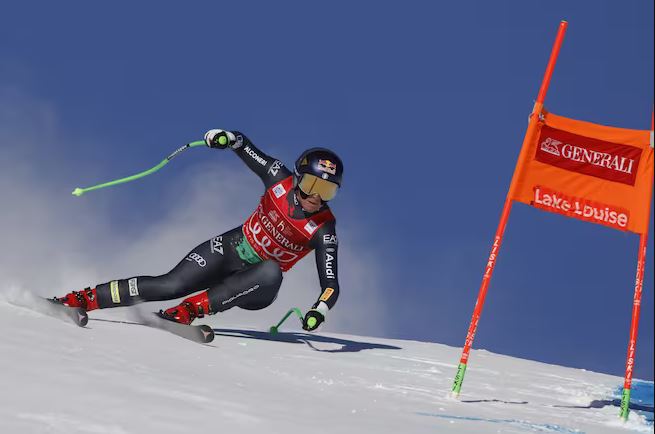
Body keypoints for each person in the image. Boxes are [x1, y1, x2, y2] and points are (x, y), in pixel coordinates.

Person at [54, 129, 342, 332]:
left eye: (327, 191)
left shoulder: (323, 227)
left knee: (271, 270)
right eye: (311, 185)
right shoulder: (278, 177)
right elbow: (243, 144)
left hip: (256, 285)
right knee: (169, 285)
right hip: (230, 249)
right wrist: (225, 137)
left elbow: (330, 284)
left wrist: (319, 310)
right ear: (298, 178)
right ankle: (80, 299)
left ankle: (188, 311)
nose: (316, 197)